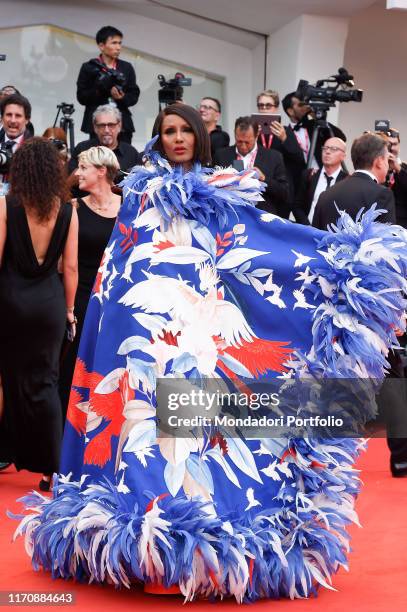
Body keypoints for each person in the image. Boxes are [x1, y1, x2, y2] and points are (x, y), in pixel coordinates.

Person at [14, 106, 407, 601]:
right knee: (142, 440)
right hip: (141, 337)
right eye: (167, 132)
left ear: (199, 137)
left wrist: (345, 261)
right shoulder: (139, 191)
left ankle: (181, 550)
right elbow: (119, 263)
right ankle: (147, 552)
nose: (177, 139)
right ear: (158, 139)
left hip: (196, 339)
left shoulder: (223, 190)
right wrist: (108, 328)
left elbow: (263, 239)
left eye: (184, 131)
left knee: (184, 442)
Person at [0, 138, 78, 488]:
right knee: (46, 384)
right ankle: (51, 468)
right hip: (49, 305)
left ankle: (6, 451)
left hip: (10, 303)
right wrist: (70, 310)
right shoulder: (67, 209)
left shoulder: (7, 205)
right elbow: (71, 267)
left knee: (6, 380)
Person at [59, 146, 121, 416]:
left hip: (119, 299)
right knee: (77, 368)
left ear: (102, 171)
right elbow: (66, 265)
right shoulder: (73, 207)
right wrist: (69, 308)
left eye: (83, 167)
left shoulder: (129, 205)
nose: (77, 172)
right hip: (83, 299)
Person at [312, 132, 395, 230]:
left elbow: (315, 237)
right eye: (387, 160)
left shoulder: (326, 194)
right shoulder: (382, 194)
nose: (388, 165)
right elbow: (386, 241)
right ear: (379, 161)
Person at [214, 115, 289, 217]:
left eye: (247, 142)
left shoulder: (273, 157)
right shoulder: (221, 155)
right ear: (235, 134)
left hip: (261, 216)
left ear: (257, 135)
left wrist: (263, 178)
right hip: (231, 214)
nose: (243, 146)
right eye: (239, 141)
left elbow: (284, 193)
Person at [76, 25, 140, 144]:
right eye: (114, 43)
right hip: (97, 125)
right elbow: (81, 97)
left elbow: (134, 95)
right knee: (97, 159)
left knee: (124, 158)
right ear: (101, 45)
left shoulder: (126, 67)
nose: (118, 47)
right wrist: (100, 89)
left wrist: (122, 98)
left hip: (122, 125)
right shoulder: (89, 67)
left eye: (120, 43)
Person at [68, 105, 141, 198]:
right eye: (102, 125)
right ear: (95, 127)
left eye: (111, 125)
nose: (106, 130)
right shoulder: (82, 149)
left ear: (119, 126)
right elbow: (68, 185)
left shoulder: (131, 153)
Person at [292, 137, 348, 225]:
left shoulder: (347, 181)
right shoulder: (309, 175)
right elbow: (297, 206)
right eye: (325, 148)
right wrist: (307, 227)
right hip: (307, 230)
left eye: (334, 149)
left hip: (332, 234)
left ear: (343, 156)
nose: (327, 152)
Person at [0, 94, 33, 193]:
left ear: (27, 120)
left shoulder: (35, 149)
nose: (13, 120)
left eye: (18, 116)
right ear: (2, 118)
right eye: (9, 115)